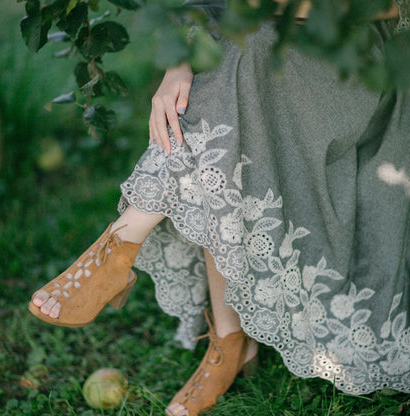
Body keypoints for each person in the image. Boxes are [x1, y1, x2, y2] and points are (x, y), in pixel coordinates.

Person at [29, 1, 410, 415]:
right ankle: (225, 339)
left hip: (354, 55)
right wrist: (177, 63)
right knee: (230, 65)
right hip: (246, 41)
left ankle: (121, 250)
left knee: (239, 59)